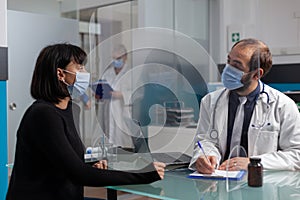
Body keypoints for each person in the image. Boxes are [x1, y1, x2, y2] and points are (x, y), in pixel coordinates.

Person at [6, 43, 165, 200]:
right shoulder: (43, 115)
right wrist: (143, 174)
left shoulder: (70, 109)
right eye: (80, 68)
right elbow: (78, 174)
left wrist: (91, 165)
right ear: (60, 74)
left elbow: (66, 160)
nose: (85, 73)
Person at [189, 38, 300, 174]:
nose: (228, 69)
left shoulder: (283, 106)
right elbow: (205, 140)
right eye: (228, 60)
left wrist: (253, 162)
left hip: (262, 184)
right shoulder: (210, 101)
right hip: (220, 181)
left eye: (237, 65)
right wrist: (206, 157)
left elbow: (296, 154)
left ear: (257, 74)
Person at [100, 44, 134, 148]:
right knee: (109, 139)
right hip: (108, 109)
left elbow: (138, 93)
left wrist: (122, 94)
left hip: (123, 110)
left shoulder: (132, 73)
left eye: (118, 58)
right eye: (114, 58)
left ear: (125, 57)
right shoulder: (108, 73)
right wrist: (98, 92)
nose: (116, 61)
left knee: (124, 142)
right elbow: (101, 87)